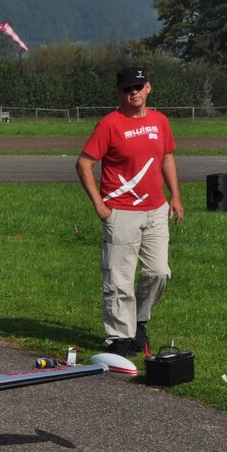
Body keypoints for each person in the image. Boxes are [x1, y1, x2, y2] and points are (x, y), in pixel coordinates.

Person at [76, 66, 184, 357]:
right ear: (120, 93)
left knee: (159, 272)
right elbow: (84, 163)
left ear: (148, 87)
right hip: (121, 211)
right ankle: (119, 338)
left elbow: (168, 157)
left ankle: (138, 319)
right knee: (119, 277)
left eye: (138, 86)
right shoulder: (110, 124)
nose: (133, 92)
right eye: (127, 89)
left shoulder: (160, 121)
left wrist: (175, 195)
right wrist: (99, 203)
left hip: (156, 209)